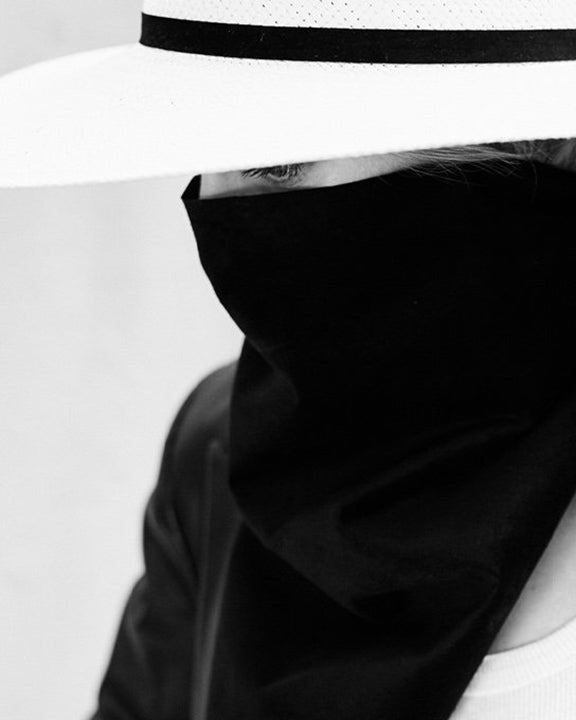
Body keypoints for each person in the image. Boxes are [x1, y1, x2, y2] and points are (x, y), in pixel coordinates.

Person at [2, 3, 576, 720]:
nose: (212, 208)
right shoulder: (218, 451)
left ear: (521, 150)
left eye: (273, 163)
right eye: (202, 157)